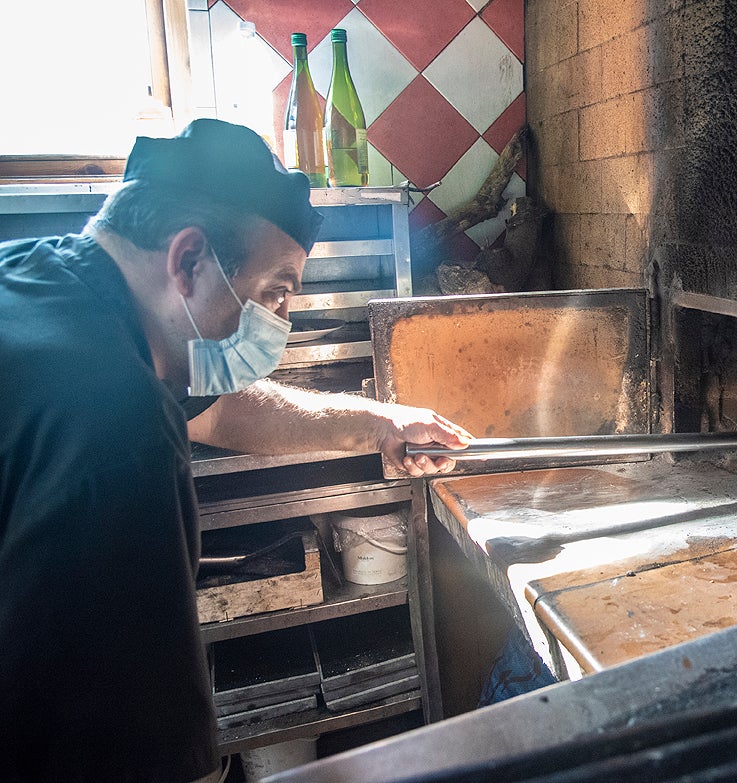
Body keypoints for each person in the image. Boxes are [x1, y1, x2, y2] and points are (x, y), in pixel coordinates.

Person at [0, 119, 472, 783]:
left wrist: (378, 423)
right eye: (276, 292)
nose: (279, 323)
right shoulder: (115, 435)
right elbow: (126, 746)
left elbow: (218, 404)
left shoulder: (43, 280)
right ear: (188, 260)